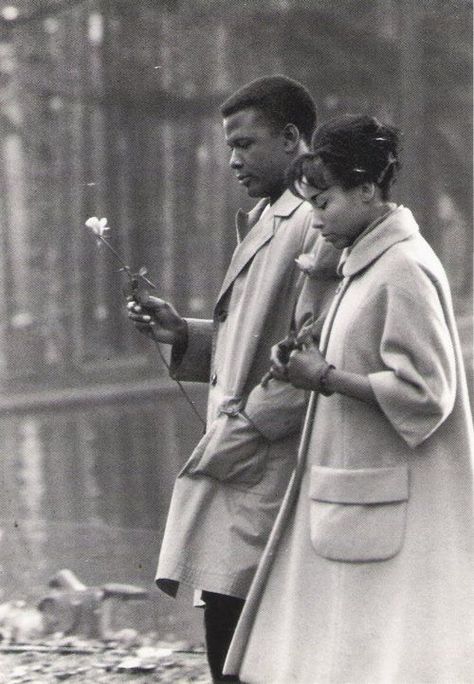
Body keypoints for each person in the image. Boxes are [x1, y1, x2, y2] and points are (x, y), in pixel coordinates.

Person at [224, 114, 474, 683]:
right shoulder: (365, 264)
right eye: (310, 204)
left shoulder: (402, 269)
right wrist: (303, 360)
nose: (316, 219)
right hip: (361, 499)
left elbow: (428, 393)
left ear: (367, 191)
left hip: (391, 510)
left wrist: (327, 377)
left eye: (324, 203)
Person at [127, 76, 340, 682]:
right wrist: (186, 335)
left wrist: (244, 427)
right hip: (247, 465)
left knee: (246, 639)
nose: (233, 159)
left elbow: (314, 352)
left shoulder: (311, 223)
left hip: (268, 467)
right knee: (229, 627)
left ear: (294, 139)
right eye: (230, 145)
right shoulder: (272, 215)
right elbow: (259, 342)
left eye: (246, 144)